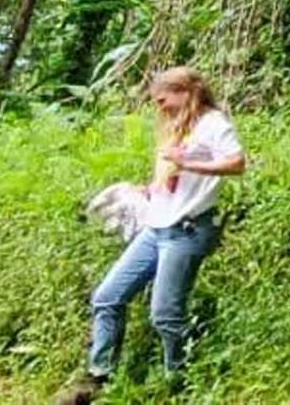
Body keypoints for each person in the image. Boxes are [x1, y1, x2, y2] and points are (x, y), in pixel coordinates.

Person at [59, 67, 246, 402]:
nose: (161, 108)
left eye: (165, 100)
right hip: (156, 227)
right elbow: (173, 179)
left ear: (187, 91)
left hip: (188, 230)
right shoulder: (178, 127)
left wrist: (188, 163)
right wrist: (147, 191)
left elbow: (236, 163)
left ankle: (177, 381)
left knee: (165, 315)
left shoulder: (214, 123)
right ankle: (98, 377)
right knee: (107, 296)